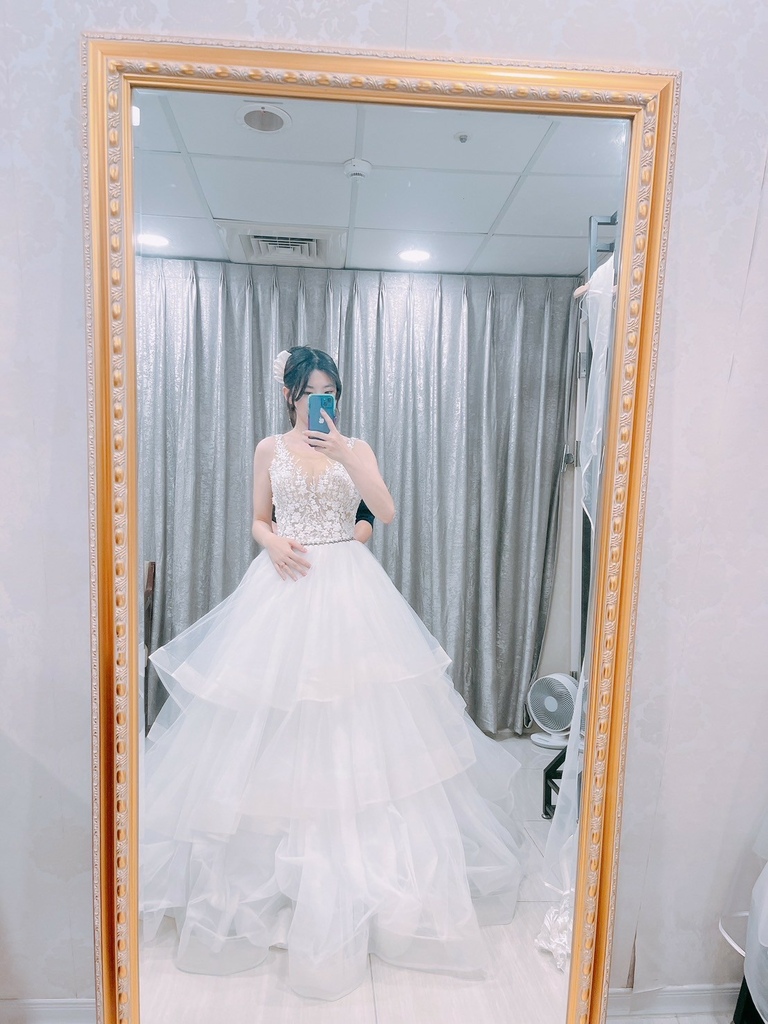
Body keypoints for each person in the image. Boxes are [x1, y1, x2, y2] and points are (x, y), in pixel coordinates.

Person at [140, 346, 528, 1000]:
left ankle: (359, 883)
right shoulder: (269, 448)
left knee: (358, 721)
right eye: (309, 390)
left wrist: (348, 456)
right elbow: (258, 519)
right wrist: (272, 542)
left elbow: (385, 511)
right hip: (285, 585)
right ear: (288, 394)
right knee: (276, 726)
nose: (320, 399)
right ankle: (275, 882)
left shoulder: (357, 446)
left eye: (330, 390)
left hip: (350, 589)